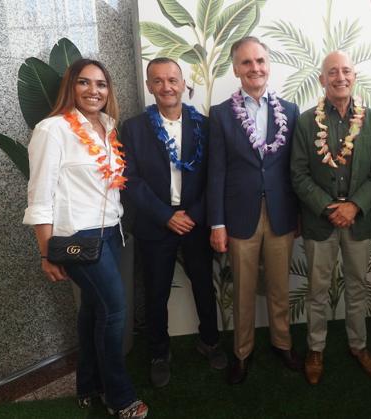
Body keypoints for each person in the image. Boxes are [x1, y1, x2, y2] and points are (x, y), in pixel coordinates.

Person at [23, 58, 148, 419]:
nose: (94, 91)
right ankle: (119, 397)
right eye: (84, 83)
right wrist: (47, 253)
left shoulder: (108, 127)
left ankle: (88, 384)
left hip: (112, 231)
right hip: (78, 235)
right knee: (114, 311)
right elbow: (40, 195)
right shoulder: (52, 129)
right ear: (70, 87)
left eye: (101, 84)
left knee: (94, 310)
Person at [121, 57, 226, 388]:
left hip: (195, 219)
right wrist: (166, 215)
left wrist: (192, 214)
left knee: (203, 286)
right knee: (155, 293)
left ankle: (209, 341)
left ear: (183, 84)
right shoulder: (133, 128)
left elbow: (215, 176)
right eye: (158, 80)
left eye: (172, 80)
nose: (166, 86)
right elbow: (131, 179)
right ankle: (158, 353)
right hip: (156, 222)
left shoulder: (205, 126)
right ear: (150, 86)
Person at [207, 36, 301, 384]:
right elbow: (215, 172)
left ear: (269, 65)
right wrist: (216, 222)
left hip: (281, 215)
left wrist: (300, 218)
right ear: (235, 69)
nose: (254, 68)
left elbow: (295, 168)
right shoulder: (219, 115)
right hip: (239, 216)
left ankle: (282, 343)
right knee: (243, 291)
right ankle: (242, 352)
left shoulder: (289, 111)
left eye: (260, 61)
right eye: (246, 62)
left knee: (279, 287)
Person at [290, 51, 371, 385]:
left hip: (358, 220)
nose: (340, 77)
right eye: (333, 72)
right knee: (317, 289)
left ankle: (358, 346)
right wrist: (330, 207)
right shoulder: (305, 121)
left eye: (346, 71)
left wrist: (354, 206)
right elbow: (298, 174)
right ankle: (315, 348)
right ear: (322, 79)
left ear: (354, 76)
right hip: (320, 221)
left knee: (357, 286)